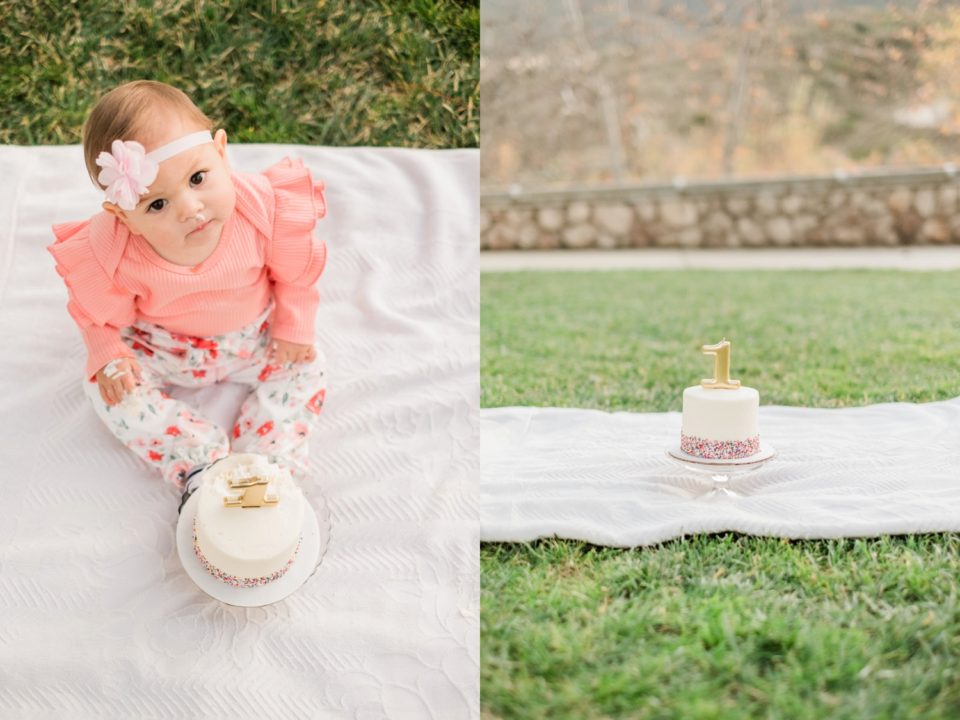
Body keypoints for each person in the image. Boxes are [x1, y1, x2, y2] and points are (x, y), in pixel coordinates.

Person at [48, 80, 328, 495]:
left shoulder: (261, 208)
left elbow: (296, 274)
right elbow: (95, 313)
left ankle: (268, 460)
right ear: (123, 217)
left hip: (254, 335)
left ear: (221, 152)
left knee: (307, 365)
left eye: (198, 178)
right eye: (157, 205)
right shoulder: (114, 251)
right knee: (106, 389)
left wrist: (294, 327)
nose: (190, 209)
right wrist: (108, 353)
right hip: (165, 345)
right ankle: (198, 459)